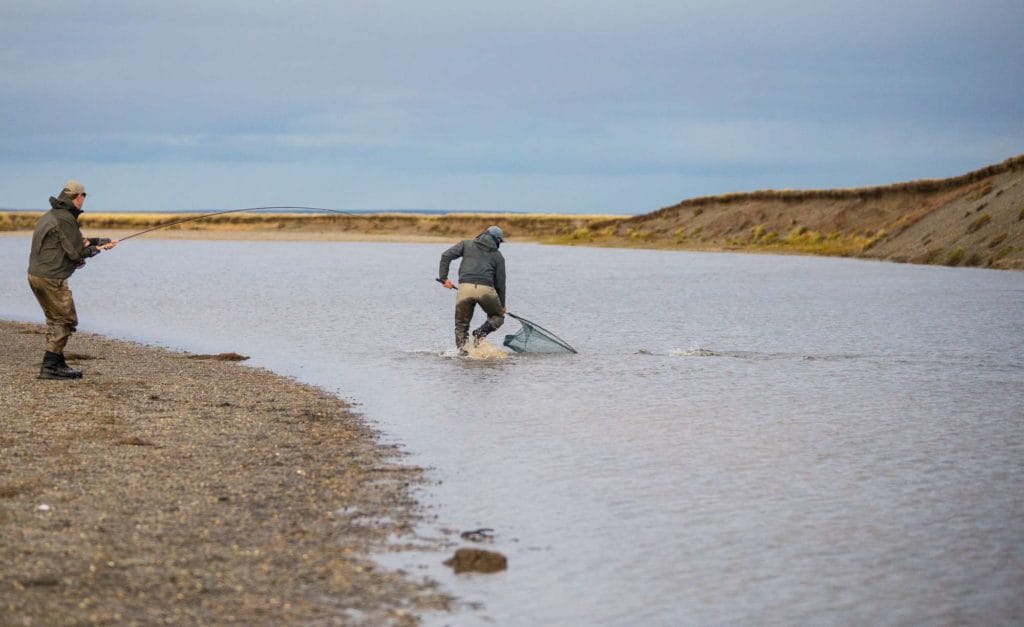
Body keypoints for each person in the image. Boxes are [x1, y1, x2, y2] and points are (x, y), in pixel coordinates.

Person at [27, 180, 118, 379]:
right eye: (83, 196)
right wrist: (97, 250)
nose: (83, 200)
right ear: (78, 197)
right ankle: (49, 366)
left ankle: (58, 362)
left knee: (55, 319)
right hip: (51, 278)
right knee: (65, 320)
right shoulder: (66, 219)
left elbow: (74, 242)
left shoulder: (53, 215)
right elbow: (77, 252)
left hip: (36, 275)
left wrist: (100, 242)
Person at [438, 225, 507, 352]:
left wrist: (444, 278)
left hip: (464, 289)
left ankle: (463, 354)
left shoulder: (466, 244)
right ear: (497, 240)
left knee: (461, 326)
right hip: (486, 291)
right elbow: (500, 284)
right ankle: (480, 333)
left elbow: (446, 256)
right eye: (500, 241)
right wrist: (502, 306)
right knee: (498, 317)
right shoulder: (498, 256)